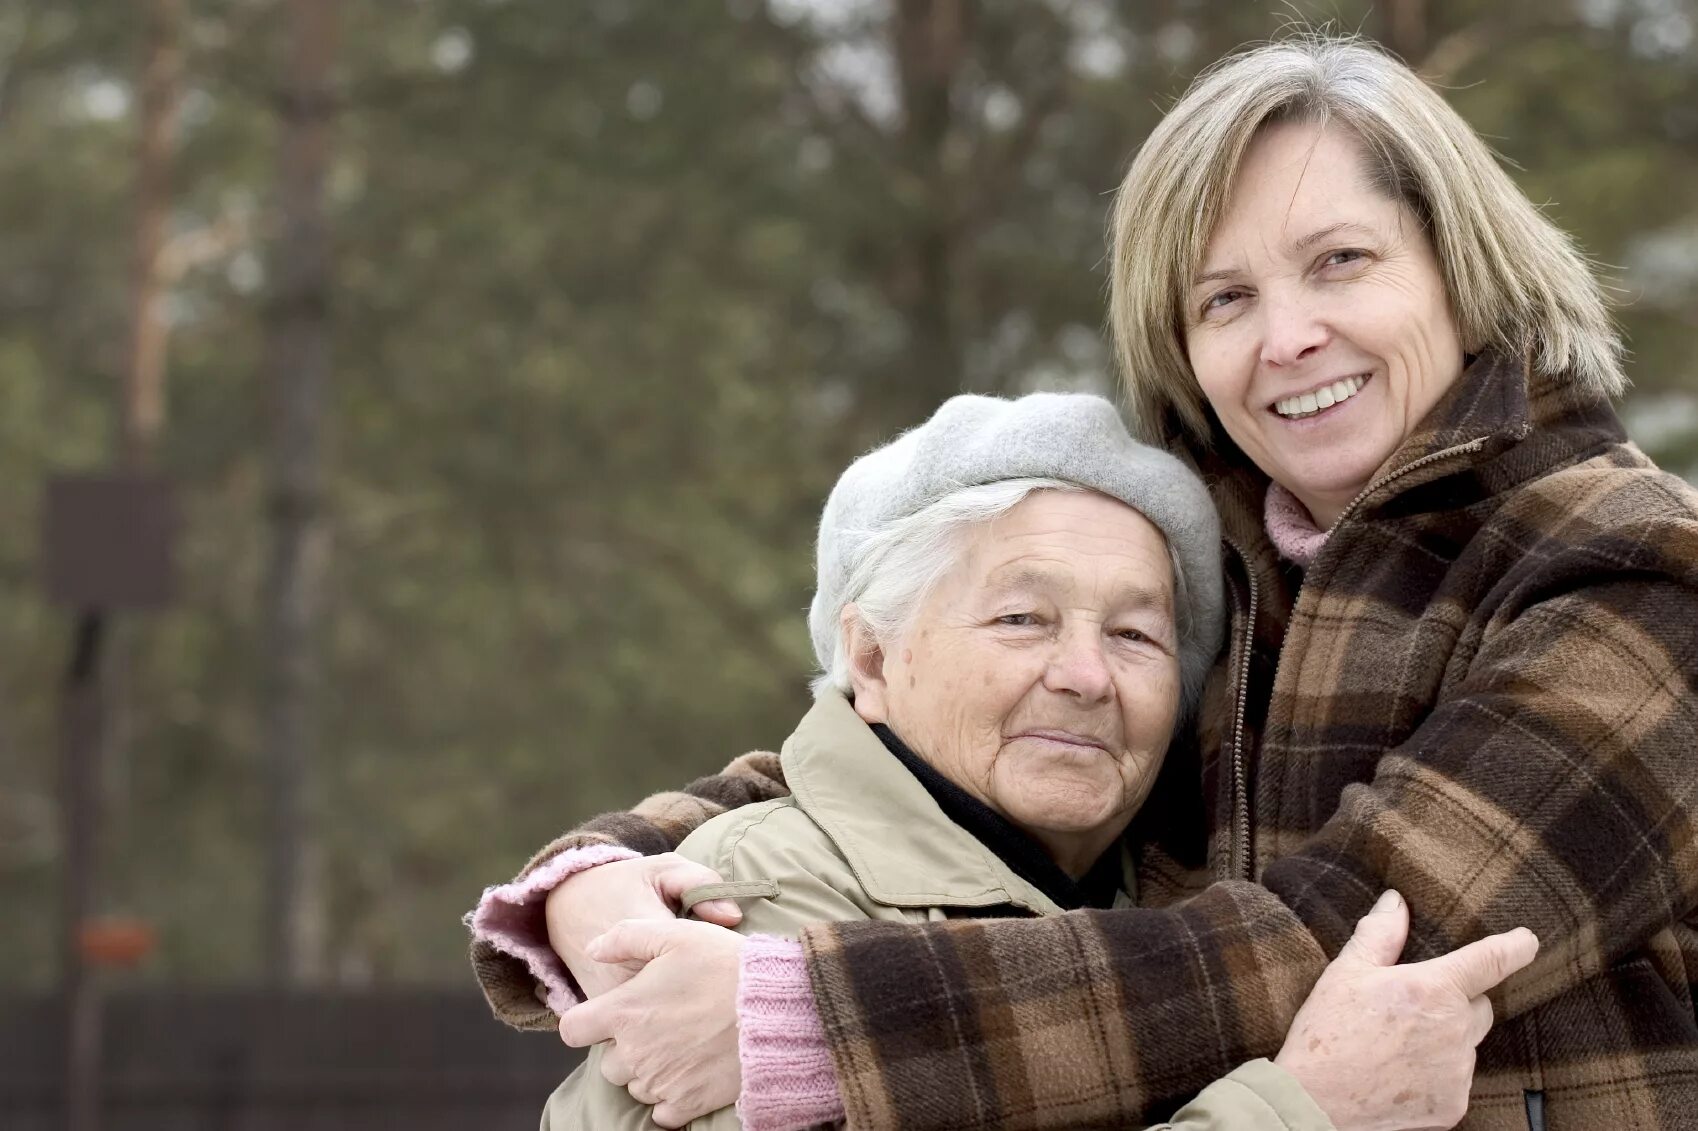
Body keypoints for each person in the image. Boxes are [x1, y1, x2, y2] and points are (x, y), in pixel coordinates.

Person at [469, 33, 1698, 1131]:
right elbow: (895, 748)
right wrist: (611, 878)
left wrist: (808, 1020)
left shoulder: (1633, 569)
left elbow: (1340, 938)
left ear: (1457, 267)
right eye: (1226, 298)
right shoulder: (1215, 568)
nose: (1287, 337)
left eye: (1339, 262)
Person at [536, 392, 1535, 1130]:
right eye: (1023, 618)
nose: (1086, 675)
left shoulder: (1173, 889)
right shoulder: (743, 917)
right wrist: (1307, 1110)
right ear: (873, 660)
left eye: (1138, 636)